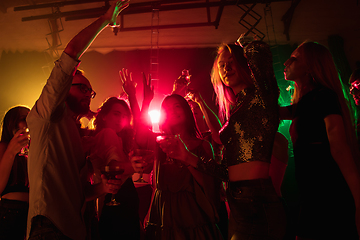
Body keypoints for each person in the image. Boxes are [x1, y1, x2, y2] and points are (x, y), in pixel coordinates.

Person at [26, 1, 130, 239]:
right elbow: (71, 52)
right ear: (65, 88)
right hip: (49, 226)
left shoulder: (74, 131)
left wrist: (103, 188)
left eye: (90, 92)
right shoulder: (49, 113)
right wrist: (105, 20)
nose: (88, 95)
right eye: (82, 88)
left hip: (74, 228)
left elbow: (81, 193)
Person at [179, 37, 287, 239]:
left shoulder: (260, 96)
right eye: (222, 65)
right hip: (237, 202)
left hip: (257, 201)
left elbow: (261, 54)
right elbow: (226, 171)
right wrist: (187, 157)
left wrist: (244, 43)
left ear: (244, 63)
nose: (226, 69)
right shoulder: (237, 108)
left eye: (231, 63)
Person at [282, 41, 360, 239]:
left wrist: (359, 199)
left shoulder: (323, 96)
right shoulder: (303, 103)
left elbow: (339, 147)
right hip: (311, 195)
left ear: (310, 66)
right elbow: (267, 111)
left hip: (328, 194)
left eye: (294, 58)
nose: (285, 63)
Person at [135, 78, 223, 239]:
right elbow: (140, 136)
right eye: (167, 109)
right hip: (162, 210)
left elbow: (209, 184)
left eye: (177, 106)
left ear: (186, 111)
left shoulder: (201, 145)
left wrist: (186, 159)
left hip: (190, 211)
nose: (173, 111)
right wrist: (146, 101)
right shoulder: (160, 144)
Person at [87, 96, 140, 240]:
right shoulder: (107, 133)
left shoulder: (108, 136)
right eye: (116, 114)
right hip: (117, 203)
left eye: (124, 116)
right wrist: (137, 166)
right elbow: (113, 167)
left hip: (115, 203)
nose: (121, 119)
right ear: (103, 115)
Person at [0, 106, 30, 240]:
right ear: (12, 123)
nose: (29, 122)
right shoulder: (3, 147)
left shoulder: (33, 150)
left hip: (33, 211)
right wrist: (11, 152)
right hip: (10, 211)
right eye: (24, 119)